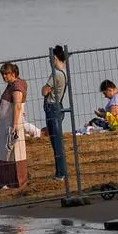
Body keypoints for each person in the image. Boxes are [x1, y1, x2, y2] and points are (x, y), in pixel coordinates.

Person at [0, 61, 27, 191]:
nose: (4, 77)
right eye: (3, 74)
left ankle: (13, 181)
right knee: (2, 152)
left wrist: (15, 124)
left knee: (10, 152)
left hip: (11, 125)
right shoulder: (12, 85)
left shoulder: (17, 85)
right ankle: (3, 182)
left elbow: (17, 105)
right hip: (4, 125)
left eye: (7, 74)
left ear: (13, 73)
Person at [40, 45, 69, 181]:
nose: (49, 61)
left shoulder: (56, 74)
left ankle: (61, 173)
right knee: (56, 141)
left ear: (55, 58)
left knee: (56, 142)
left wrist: (45, 89)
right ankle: (60, 172)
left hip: (52, 108)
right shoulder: (64, 72)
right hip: (58, 106)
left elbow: (44, 91)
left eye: (50, 58)